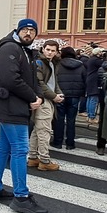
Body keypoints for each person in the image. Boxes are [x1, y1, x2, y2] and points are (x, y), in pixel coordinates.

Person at [0, 18, 47, 213]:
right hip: (10, 107)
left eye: (32, 30)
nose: (29, 33)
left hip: (14, 106)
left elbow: (30, 79)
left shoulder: (24, 50)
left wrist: (38, 96)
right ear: (18, 30)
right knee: (21, 150)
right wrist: (31, 97)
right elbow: (10, 79)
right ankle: (21, 197)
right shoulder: (10, 48)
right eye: (25, 29)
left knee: (3, 147)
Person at [27, 39, 63, 171]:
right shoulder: (39, 62)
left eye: (53, 51)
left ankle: (32, 157)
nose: (50, 52)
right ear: (43, 49)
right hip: (43, 99)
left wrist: (58, 94)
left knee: (38, 130)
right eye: (48, 49)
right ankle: (44, 160)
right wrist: (54, 96)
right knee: (44, 131)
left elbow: (53, 82)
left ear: (56, 52)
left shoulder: (51, 63)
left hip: (46, 98)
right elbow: (40, 83)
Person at [51, 46, 85, 150]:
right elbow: (84, 80)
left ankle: (58, 142)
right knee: (71, 120)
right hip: (74, 96)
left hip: (60, 94)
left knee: (59, 119)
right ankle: (70, 143)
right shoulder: (81, 66)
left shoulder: (58, 65)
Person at [83, 47, 105, 125]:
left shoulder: (91, 59)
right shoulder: (96, 60)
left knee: (89, 98)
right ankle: (92, 117)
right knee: (93, 99)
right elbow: (103, 64)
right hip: (94, 80)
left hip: (89, 79)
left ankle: (89, 116)